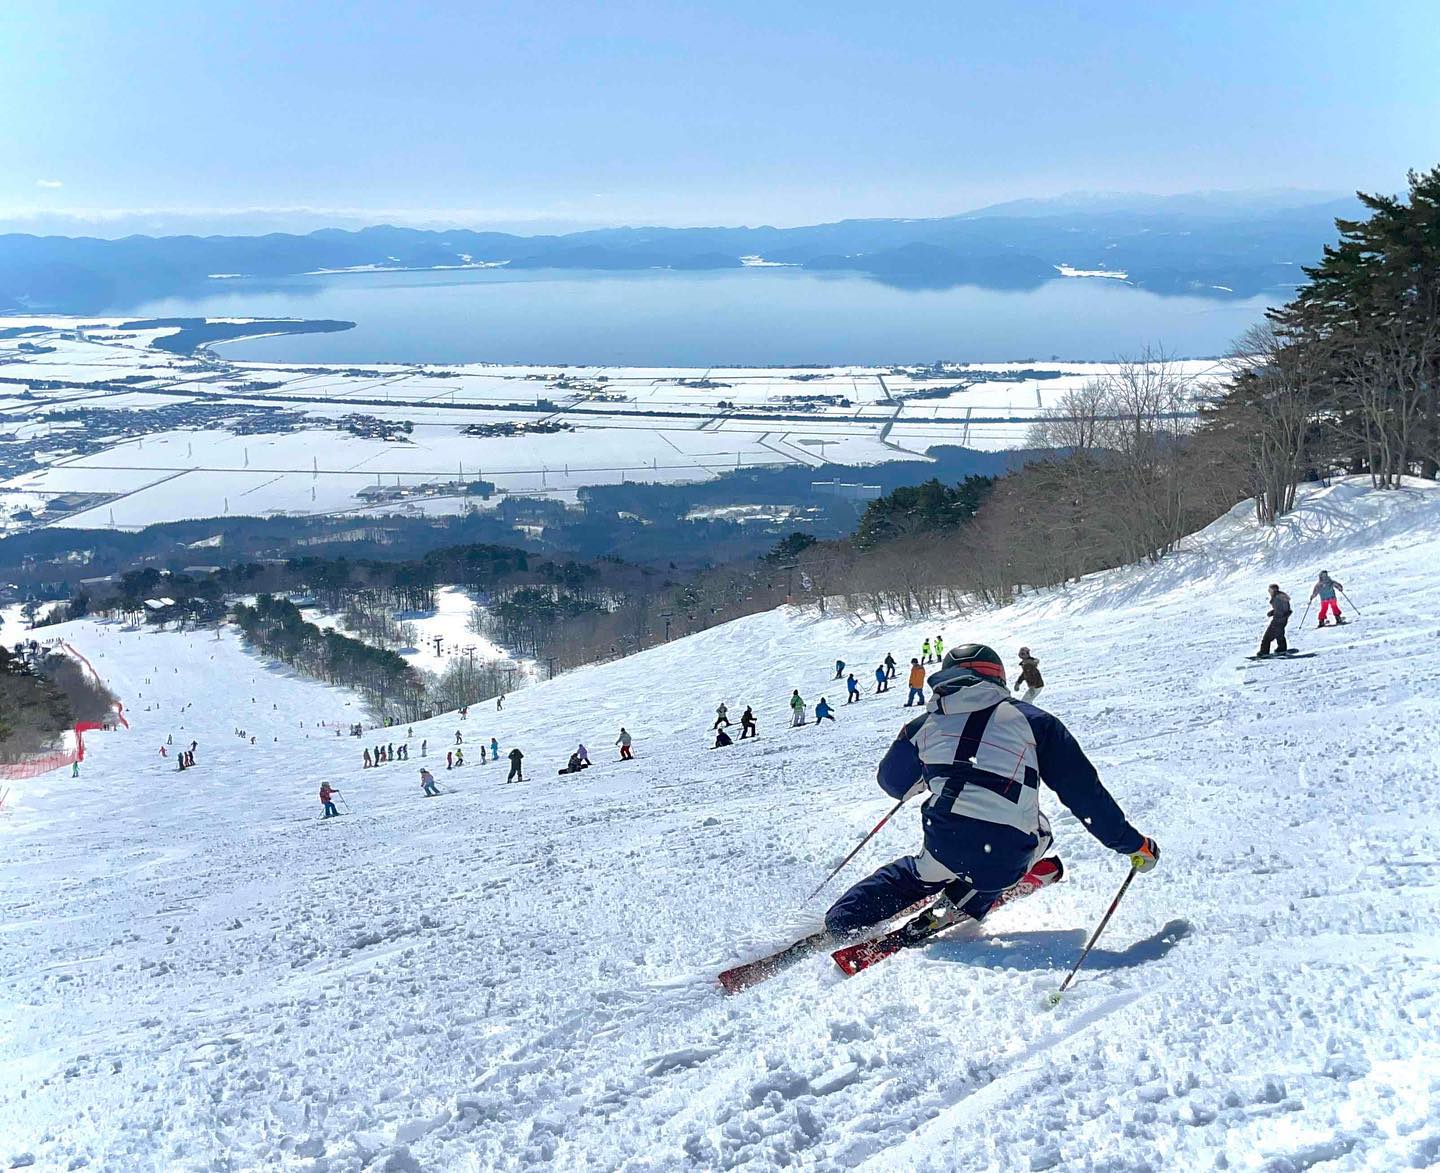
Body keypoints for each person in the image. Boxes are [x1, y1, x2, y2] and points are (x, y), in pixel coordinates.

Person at [825, 643, 1159, 938]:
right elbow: (1085, 796)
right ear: (997, 677)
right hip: (1006, 848)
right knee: (1041, 833)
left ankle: (842, 919)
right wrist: (1134, 844)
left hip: (943, 841)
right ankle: (969, 897)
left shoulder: (921, 725)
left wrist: (934, 771)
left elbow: (893, 783)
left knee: (915, 872)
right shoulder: (1034, 720)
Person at [1259, 584, 1292, 656]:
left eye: (1270, 590)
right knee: (1279, 634)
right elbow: (1282, 609)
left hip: (1277, 621)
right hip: (1283, 620)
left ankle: (1264, 652)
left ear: (1273, 590)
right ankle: (1281, 648)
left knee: (1267, 638)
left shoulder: (1277, 599)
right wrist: (1273, 612)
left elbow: (1280, 610)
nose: (1269, 592)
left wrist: (1276, 614)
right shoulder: (1282, 596)